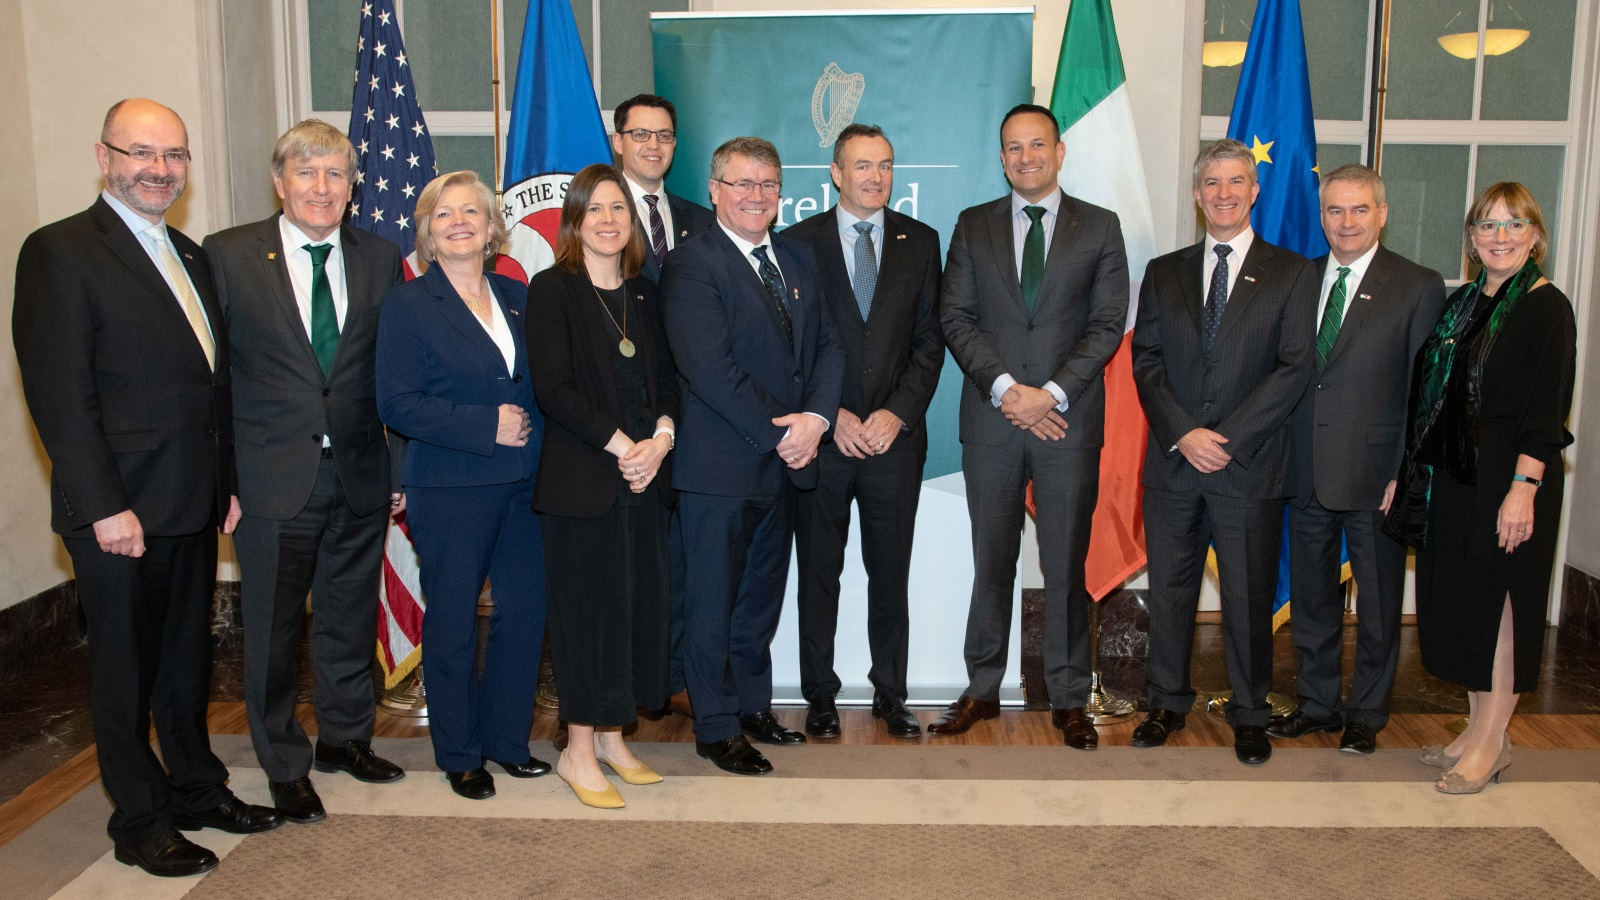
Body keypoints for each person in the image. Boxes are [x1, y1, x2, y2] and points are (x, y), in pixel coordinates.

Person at [12, 98, 281, 877]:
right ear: (104, 157)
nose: (159, 170)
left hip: (192, 502)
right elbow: (60, 395)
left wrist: (227, 484)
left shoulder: (190, 255)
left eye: (173, 156)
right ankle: (139, 821)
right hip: (119, 510)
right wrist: (103, 506)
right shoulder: (61, 251)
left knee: (185, 663)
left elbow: (211, 383)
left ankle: (196, 788)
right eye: (141, 153)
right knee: (125, 673)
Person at [203, 119, 406, 826]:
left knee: (349, 619)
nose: (322, 187)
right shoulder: (228, 255)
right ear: (279, 181)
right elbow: (213, 378)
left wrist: (397, 466)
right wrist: (222, 479)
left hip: (358, 472)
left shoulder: (380, 257)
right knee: (272, 629)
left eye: (335, 174)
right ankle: (284, 764)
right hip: (269, 478)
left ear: (353, 187)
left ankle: (345, 740)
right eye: (306, 172)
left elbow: (391, 372)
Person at [933, 104, 1128, 750]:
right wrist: (1007, 391)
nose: (1026, 157)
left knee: (1065, 562)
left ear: (1059, 151)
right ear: (1002, 158)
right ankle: (982, 688)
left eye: (1037, 145)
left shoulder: (1100, 227)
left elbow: (1107, 323)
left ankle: (1068, 696)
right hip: (994, 420)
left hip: (1066, 422)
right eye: (1013, 148)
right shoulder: (973, 225)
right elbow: (955, 316)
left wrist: (1049, 395)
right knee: (992, 560)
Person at [1130, 138, 1317, 766]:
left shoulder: (1292, 273)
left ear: (1255, 191)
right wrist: (1184, 433)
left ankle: (1250, 713)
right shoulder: (1165, 272)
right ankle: (1165, 703)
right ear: (1196, 194)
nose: (1224, 193)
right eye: (1212, 183)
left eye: (1236, 181)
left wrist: (1228, 442)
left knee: (1247, 597)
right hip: (1174, 464)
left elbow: (1293, 368)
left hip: (1249, 468)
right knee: (1171, 592)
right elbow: (1147, 361)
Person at [661, 136, 844, 775]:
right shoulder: (692, 263)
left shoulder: (795, 256)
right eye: (742, 183)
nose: (756, 196)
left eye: (768, 184)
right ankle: (715, 726)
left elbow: (828, 347)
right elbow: (710, 369)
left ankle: (750, 705)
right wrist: (786, 434)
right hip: (721, 466)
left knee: (759, 599)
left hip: (786, 465)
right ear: (715, 191)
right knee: (712, 602)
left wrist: (817, 420)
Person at [1391, 182, 1575, 793]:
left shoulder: (1546, 308)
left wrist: (1523, 488)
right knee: (1468, 608)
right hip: (1456, 479)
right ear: (1471, 239)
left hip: (1508, 477)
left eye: (1514, 224)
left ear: (1535, 236)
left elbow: (1545, 412)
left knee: (1500, 610)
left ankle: (1492, 744)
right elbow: (1435, 399)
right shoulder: (1465, 302)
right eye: (1488, 225)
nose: (1501, 236)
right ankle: (1476, 730)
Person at [376, 171, 549, 800]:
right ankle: (460, 752)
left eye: (471, 211)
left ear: (491, 226)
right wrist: (484, 425)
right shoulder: (407, 305)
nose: (458, 223)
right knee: (452, 619)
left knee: (524, 613)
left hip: (525, 484)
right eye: (444, 214)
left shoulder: (517, 294)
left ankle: (506, 740)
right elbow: (396, 403)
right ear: (426, 232)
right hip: (450, 486)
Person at [1269, 164, 1446, 754]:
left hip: (1377, 477)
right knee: (1312, 601)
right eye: (1335, 210)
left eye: (1360, 209)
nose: (1346, 222)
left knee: (1378, 604)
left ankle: (1367, 711)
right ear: (1321, 216)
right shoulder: (1299, 277)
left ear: (1382, 214)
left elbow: (1425, 392)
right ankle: (1318, 704)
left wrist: (1405, 472)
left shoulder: (1417, 286)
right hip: (1305, 470)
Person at [527, 164, 679, 809]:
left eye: (619, 208)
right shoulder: (551, 290)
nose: (609, 220)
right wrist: (624, 447)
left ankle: (614, 740)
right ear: (575, 221)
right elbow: (554, 390)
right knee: (586, 619)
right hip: (583, 485)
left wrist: (661, 441)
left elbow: (669, 384)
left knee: (632, 613)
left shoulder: (646, 294)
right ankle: (577, 749)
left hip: (645, 482)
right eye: (595, 209)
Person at [786, 124, 943, 740]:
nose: (875, 177)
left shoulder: (920, 242)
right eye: (862, 165)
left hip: (893, 444)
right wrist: (835, 416)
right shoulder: (797, 243)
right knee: (818, 574)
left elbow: (930, 342)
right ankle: (820, 696)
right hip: (823, 442)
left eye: (885, 165)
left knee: (890, 573)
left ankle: (891, 693)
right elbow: (791, 346)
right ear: (835, 173)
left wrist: (896, 413)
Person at [611, 93, 714, 716]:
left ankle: (668, 678)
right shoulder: (598, 213)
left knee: (680, 557)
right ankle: (619, 687)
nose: (654, 145)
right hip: (621, 424)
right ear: (618, 141)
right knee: (625, 563)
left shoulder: (700, 219)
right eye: (641, 134)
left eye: (665, 135)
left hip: (692, 415)